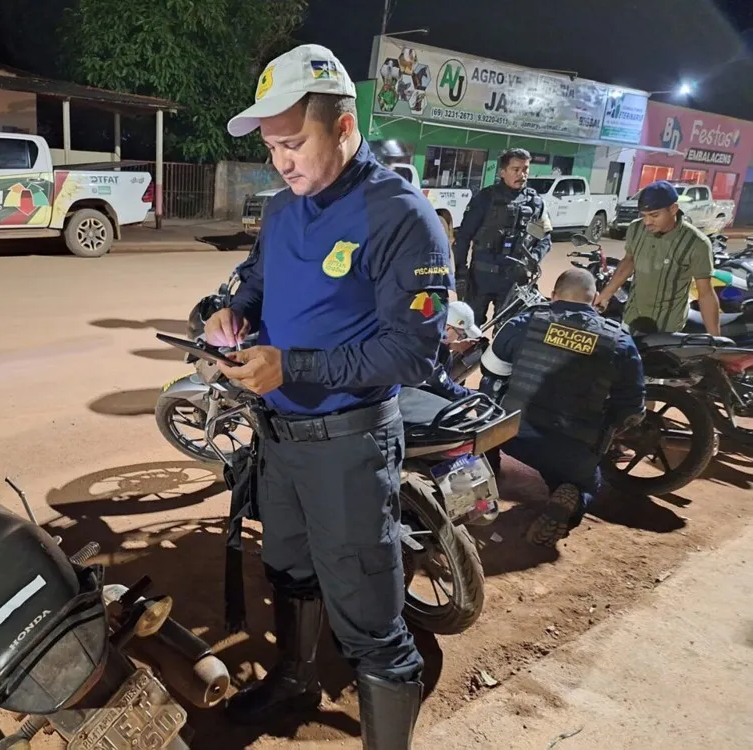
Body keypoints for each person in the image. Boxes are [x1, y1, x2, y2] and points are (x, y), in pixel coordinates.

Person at [203, 43, 452, 749]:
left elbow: (413, 352)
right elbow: (255, 282)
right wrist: (229, 315)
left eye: (292, 143)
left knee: (369, 619)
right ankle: (294, 679)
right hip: (280, 441)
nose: (280, 162)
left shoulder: (400, 216)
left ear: (344, 128)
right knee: (288, 571)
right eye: (271, 148)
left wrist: (292, 368)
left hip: (349, 446)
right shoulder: (284, 210)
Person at [479, 268, 645, 545]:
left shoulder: (524, 322)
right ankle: (571, 498)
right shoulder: (619, 341)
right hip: (573, 446)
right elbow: (632, 409)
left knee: (491, 400)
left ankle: (486, 472)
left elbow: (491, 371)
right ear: (594, 299)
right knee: (585, 483)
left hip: (512, 434)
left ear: (554, 295)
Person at [596, 180, 720, 336]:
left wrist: (715, 339)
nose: (647, 222)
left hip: (667, 329)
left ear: (673, 209)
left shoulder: (697, 243)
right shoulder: (636, 229)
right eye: (644, 215)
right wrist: (606, 294)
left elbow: (706, 294)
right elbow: (629, 261)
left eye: (654, 215)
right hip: (631, 319)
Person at [453, 148, 553, 325]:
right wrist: (461, 272)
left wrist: (532, 260)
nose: (522, 174)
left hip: (514, 279)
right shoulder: (485, 199)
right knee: (469, 328)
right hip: (481, 278)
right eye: (516, 169)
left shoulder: (535, 203)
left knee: (507, 330)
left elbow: (545, 239)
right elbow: (463, 237)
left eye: (525, 169)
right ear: (502, 172)